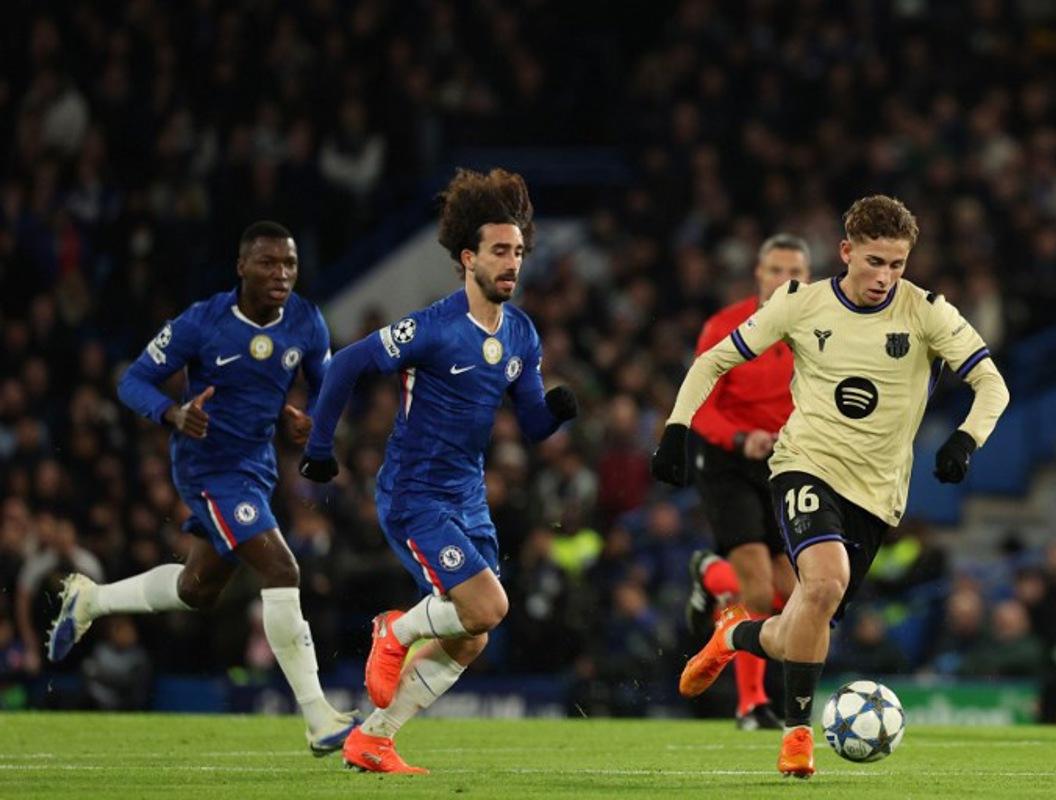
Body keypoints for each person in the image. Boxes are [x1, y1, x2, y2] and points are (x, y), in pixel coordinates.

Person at [651, 195, 1009, 778]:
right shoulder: (801, 303)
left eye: (897, 264)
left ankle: (733, 634)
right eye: (874, 262)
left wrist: (966, 439)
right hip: (805, 464)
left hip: (877, 494)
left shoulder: (928, 312)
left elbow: (992, 384)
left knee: (802, 619)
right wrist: (676, 429)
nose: (885, 276)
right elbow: (713, 360)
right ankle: (797, 736)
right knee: (823, 583)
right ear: (846, 252)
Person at [299, 168, 578, 775]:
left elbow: (532, 422)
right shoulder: (432, 328)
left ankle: (374, 738)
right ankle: (395, 630)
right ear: (468, 258)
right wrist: (320, 447)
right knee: (489, 606)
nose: (512, 263)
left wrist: (556, 413)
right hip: (415, 493)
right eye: (500, 251)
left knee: (473, 633)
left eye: (518, 252)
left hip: (467, 497)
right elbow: (346, 365)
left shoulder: (521, 334)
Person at [47, 221, 357, 755]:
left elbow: (326, 384)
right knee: (282, 569)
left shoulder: (306, 320)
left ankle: (91, 599)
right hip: (208, 467)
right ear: (241, 267)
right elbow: (131, 380)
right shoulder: (203, 322)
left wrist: (311, 421)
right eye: (268, 263)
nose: (281, 274)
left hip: (256, 467)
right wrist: (173, 412)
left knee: (198, 589)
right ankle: (318, 717)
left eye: (289, 263)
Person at [685, 233, 810, 731]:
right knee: (757, 590)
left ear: (808, 279)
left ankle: (710, 574)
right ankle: (751, 706)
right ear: (759, 274)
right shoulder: (725, 327)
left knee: (792, 596)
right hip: (726, 460)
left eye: (795, 273)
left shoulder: (818, 332)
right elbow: (700, 402)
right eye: (776, 270)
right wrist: (741, 439)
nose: (785, 280)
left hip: (782, 463)